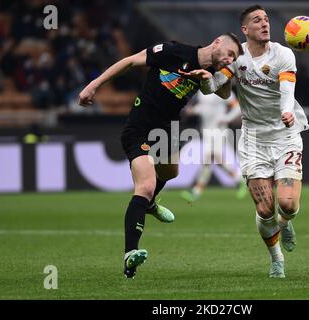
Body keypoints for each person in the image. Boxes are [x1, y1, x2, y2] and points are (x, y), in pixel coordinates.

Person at [78, 33, 243, 279]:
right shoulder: (173, 51)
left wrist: (217, 76)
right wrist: (93, 86)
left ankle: (151, 204)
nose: (229, 59)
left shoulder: (210, 72)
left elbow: (223, 94)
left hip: (168, 130)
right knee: (145, 185)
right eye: (229, 53)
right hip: (140, 127)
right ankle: (130, 255)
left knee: (170, 172)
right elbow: (129, 61)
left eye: (234, 58)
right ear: (217, 42)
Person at [180, 5, 309, 278]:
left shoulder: (283, 54)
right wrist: (205, 80)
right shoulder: (237, 59)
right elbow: (215, 87)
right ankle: (277, 260)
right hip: (252, 139)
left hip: (285, 134)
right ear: (245, 29)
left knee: (287, 205)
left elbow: (288, 91)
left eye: (266, 19)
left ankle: (285, 223)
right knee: (264, 209)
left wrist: (287, 112)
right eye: (256, 20)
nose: (264, 24)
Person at [180, 91, 248, 202]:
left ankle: (196, 191)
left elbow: (237, 107)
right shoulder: (202, 91)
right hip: (206, 130)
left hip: (218, 130)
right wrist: (193, 111)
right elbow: (204, 108)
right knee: (213, 161)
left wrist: (226, 118)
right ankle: (240, 180)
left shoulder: (224, 90)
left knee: (209, 159)